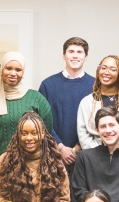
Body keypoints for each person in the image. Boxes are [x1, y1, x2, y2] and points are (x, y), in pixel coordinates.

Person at [0, 51, 53, 175]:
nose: (13, 73)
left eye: (18, 70)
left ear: (23, 73)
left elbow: (46, 134)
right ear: (1, 70)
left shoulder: (36, 99)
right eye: (8, 68)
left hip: (31, 165)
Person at [38, 37, 94, 173]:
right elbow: (41, 120)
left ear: (86, 57)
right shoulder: (48, 85)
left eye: (79, 52)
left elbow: (97, 120)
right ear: (64, 55)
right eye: (71, 51)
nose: (75, 55)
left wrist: (77, 148)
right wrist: (60, 147)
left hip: (86, 155)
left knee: (82, 194)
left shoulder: (95, 85)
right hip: (52, 155)